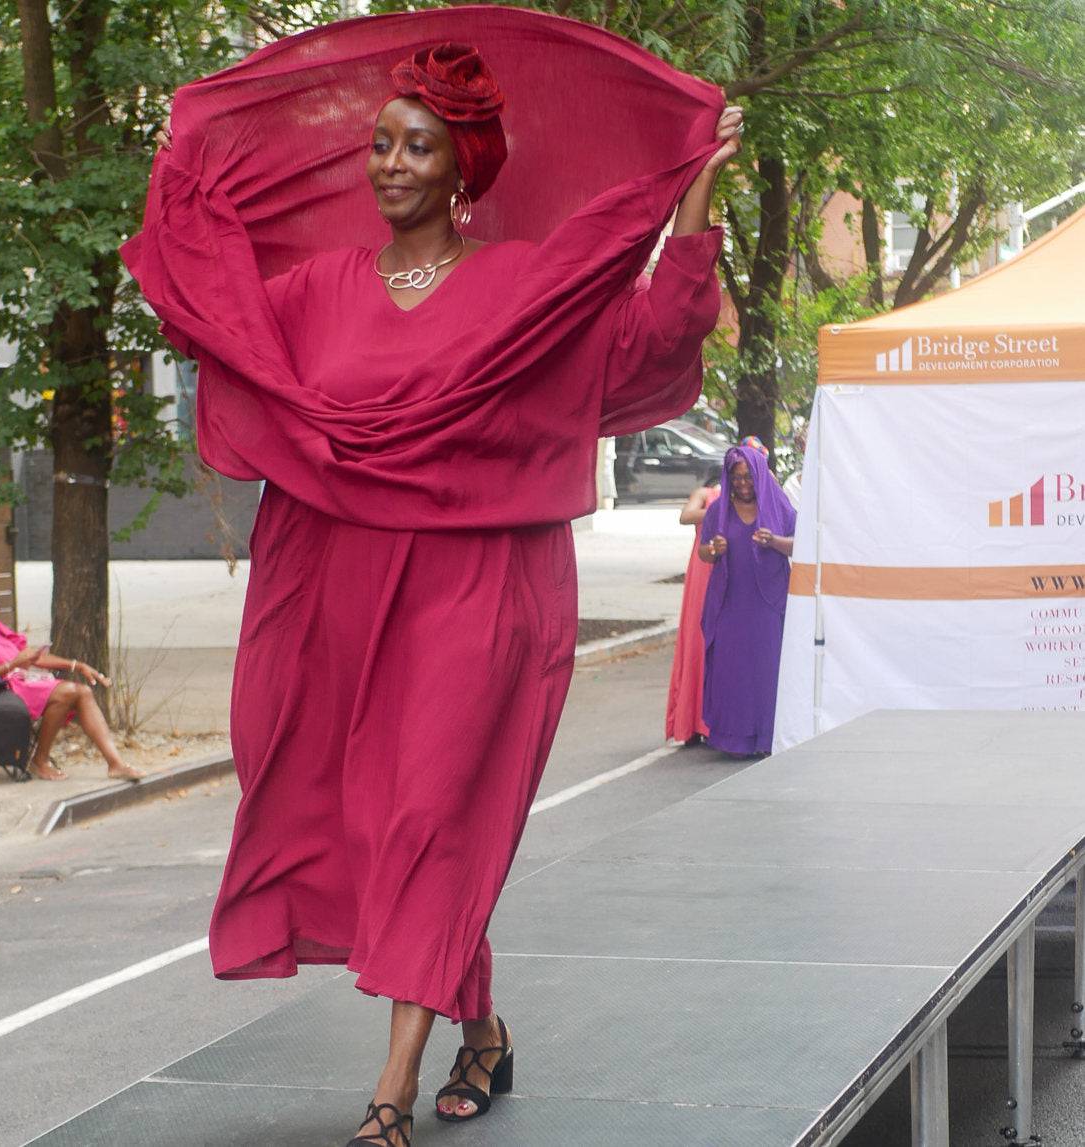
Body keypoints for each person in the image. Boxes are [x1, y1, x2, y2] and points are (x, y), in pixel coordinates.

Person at [124, 12, 741, 1146]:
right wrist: (180, 187)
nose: (390, 164)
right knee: (375, 817)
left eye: (416, 145)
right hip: (338, 582)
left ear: (464, 168)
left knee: (434, 809)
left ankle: (390, 1090)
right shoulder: (314, 290)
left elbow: (648, 340)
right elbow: (222, 329)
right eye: (379, 143)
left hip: (479, 585)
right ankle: (483, 1030)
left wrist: (691, 191)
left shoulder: (519, 286)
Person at [0, 573, 144, 782]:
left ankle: (115, 764)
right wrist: (12, 665)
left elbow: (34, 658)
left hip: (19, 684)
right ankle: (40, 759)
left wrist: (77, 665)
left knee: (82, 691)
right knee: (70, 692)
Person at [698, 443, 796, 757]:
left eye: (748, 477)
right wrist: (714, 550)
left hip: (768, 602)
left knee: (767, 670)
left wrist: (774, 541)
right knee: (732, 671)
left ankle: (768, 737)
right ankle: (733, 740)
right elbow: (703, 552)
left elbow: (799, 544)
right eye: (736, 478)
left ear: (759, 475)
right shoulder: (718, 510)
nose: (742, 484)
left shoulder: (777, 503)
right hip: (730, 602)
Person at [665, 479, 721, 743]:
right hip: (703, 571)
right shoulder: (706, 494)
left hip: (729, 568)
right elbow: (686, 516)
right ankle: (691, 719)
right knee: (697, 639)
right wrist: (723, 508)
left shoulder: (750, 494)